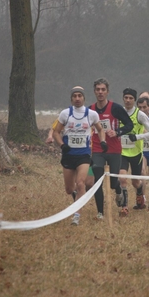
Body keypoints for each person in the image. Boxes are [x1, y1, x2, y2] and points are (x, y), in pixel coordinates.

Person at [53, 86, 106, 225]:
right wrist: (62, 145)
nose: (77, 98)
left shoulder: (91, 114)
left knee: (81, 183)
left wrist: (103, 141)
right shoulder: (65, 113)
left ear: (84, 98)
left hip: (84, 155)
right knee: (70, 189)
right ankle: (78, 199)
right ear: (71, 99)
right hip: (68, 155)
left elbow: (100, 130)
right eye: (75, 96)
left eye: (80, 96)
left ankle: (76, 215)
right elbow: (56, 132)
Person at [89, 78, 133, 219]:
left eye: (103, 90)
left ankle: (119, 190)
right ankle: (100, 212)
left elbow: (129, 125)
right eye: (98, 89)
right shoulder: (90, 110)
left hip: (114, 149)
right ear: (95, 91)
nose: (100, 92)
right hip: (97, 150)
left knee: (113, 182)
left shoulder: (115, 108)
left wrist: (118, 132)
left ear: (107, 92)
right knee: (97, 180)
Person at [119, 88, 149, 217]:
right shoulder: (118, 113)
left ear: (134, 100)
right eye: (126, 98)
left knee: (135, 182)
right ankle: (124, 207)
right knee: (122, 179)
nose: (128, 100)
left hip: (136, 153)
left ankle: (140, 191)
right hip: (122, 152)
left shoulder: (139, 114)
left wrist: (138, 137)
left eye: (131, 98)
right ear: (123, 99)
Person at [47, 117, 95, 191]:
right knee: (72, 188)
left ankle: (81, 197)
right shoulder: (67, 116)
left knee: (89, 183)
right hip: (71, 154)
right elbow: (54, 129)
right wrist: (50, 137)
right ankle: (77, 197)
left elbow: (101, 129)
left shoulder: (90, 115)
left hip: (86, 153)